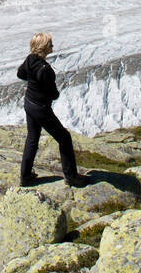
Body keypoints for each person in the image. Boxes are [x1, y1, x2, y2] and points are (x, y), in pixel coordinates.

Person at [17, 32, 91, 187]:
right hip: (41, 108)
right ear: (44, 48)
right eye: (50, 44)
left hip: (29, 103)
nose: (53, 46)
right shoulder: (45, 69)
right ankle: (71, 176)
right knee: (64, 138)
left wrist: (34, 83)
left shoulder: (30, 59)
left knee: (32, 139)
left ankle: (25, 177)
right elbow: (53, 94)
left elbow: (21, 74)